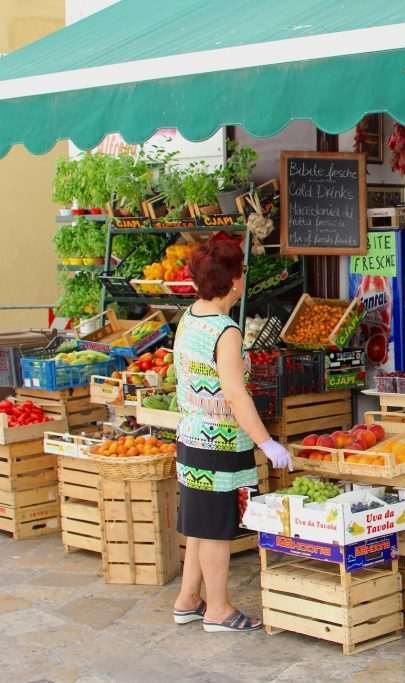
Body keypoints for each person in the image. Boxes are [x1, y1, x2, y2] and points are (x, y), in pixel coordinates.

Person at [170, 239, 292, 633]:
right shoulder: (226, 331)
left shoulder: (189, 317)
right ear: (234, 281)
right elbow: (235, 393)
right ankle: (218, 610)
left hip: (190, 437)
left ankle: (188, 599)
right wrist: (266, 442)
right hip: (218, 444)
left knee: (200, 525)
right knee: (218, 529)